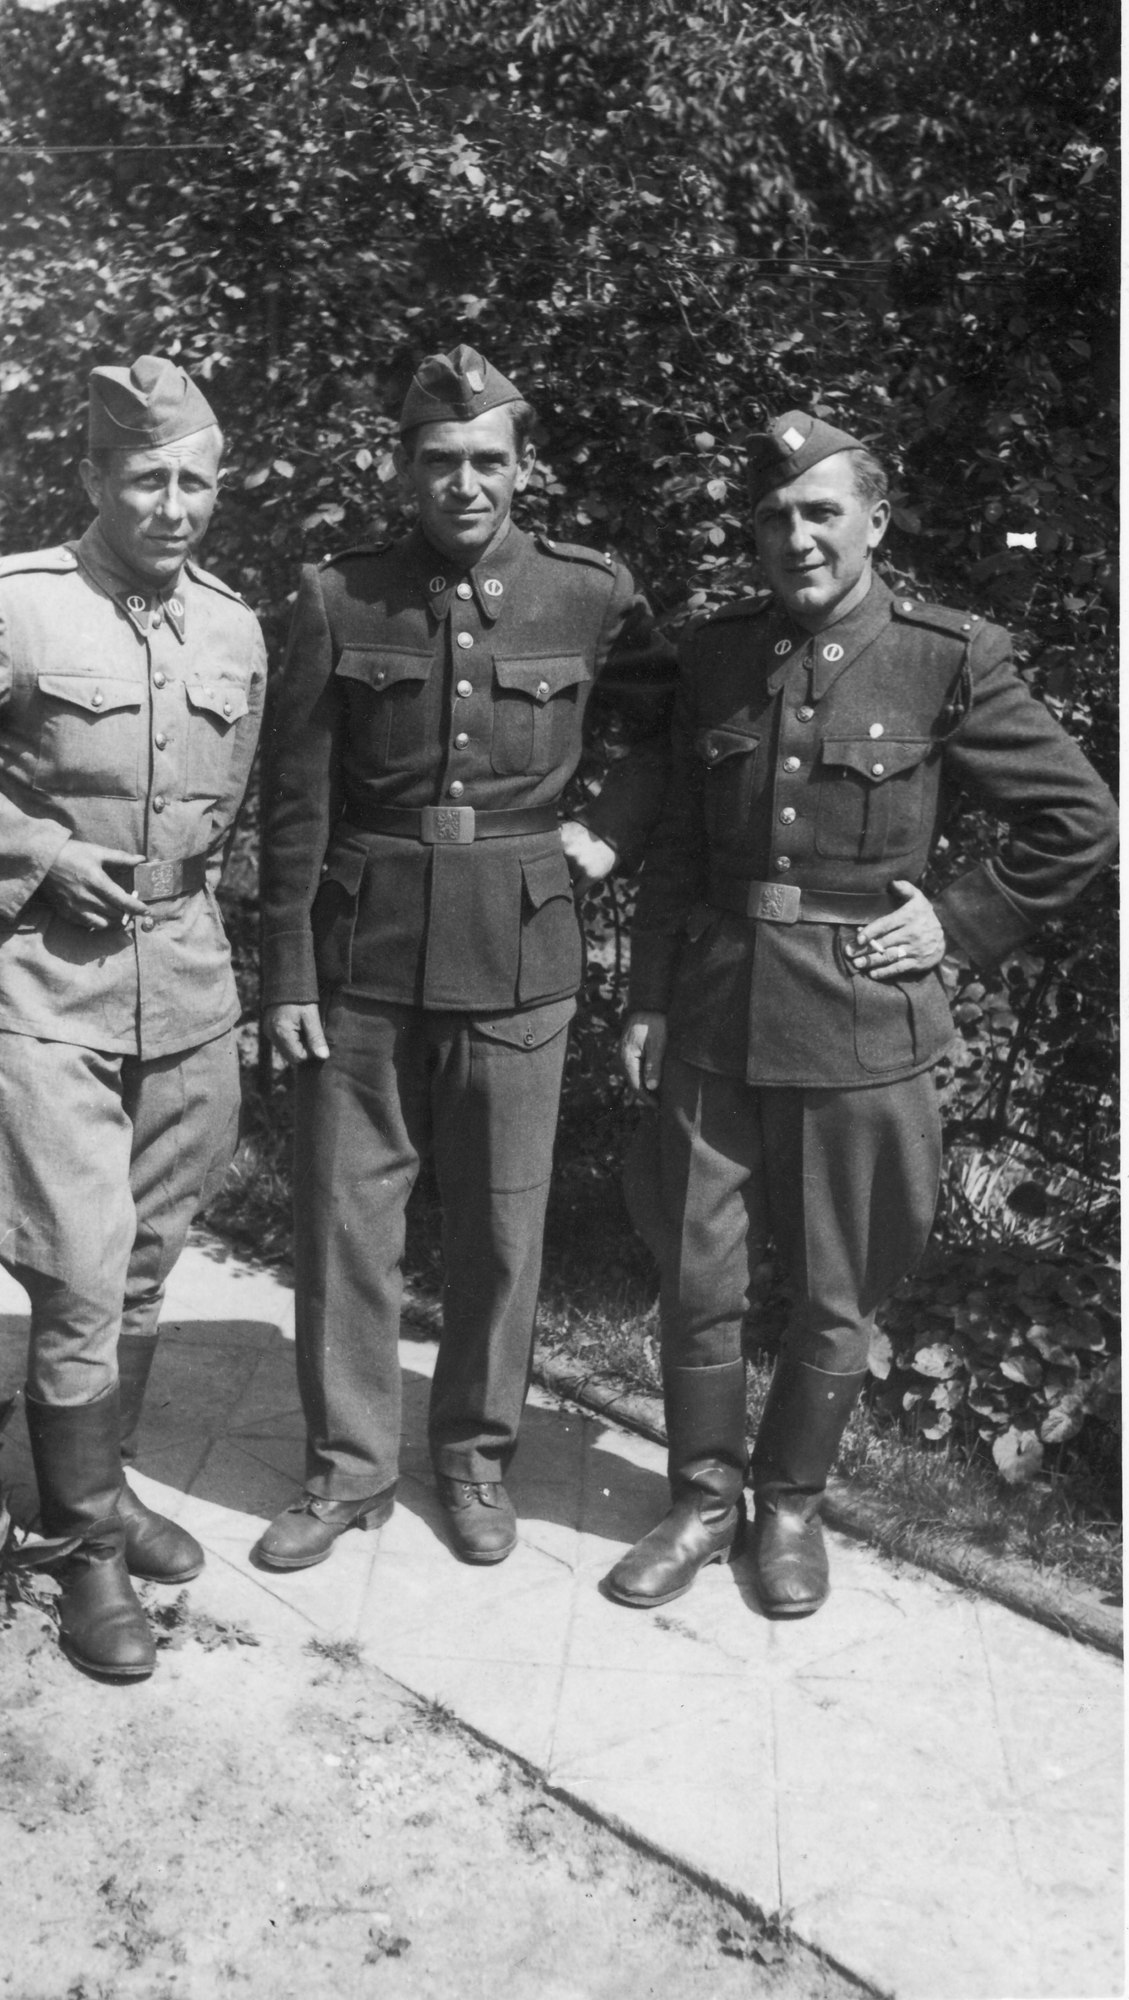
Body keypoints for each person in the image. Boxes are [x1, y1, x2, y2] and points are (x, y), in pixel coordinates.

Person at [609, 409, 1118, 1618]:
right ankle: (701, 1501)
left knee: (839, 1286)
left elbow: (1078, 818)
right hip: (715, 1009)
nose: (796, 536)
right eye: (774, 516)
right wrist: (646, 995)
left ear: (874, 521)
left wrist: (961, 921)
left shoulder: (945, 656)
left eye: (821, 511)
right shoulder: (718, 652)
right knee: (697, 1273)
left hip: (861, 1015)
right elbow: (678, 841)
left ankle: (788, 1507)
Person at [256, 343, 672, 1570]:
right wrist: (286, 970)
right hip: (363, 951)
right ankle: (347, 1468)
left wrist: (607, 832)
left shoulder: (588, 594)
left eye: (488, 459)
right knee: (345, 1220)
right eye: (440, 460)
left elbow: (668, 731)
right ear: (404, 468)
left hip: (519, 943)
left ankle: (476, 1456)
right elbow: (295, 796)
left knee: (500, 1224)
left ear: (522, 467)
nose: (465, 482)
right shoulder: (340, 594)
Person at [0, 356, 267, 1677]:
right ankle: (85, 1550)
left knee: (147, 1261)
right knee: (82, 1271)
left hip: (188, 983)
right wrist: (38, 855)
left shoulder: (235, 629)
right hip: (45, 982)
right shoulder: (17, 604)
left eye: (196, 482)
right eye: (147, 479)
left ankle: (99, 1485)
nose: (173, 506)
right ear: (97, 477)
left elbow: (222, 812)